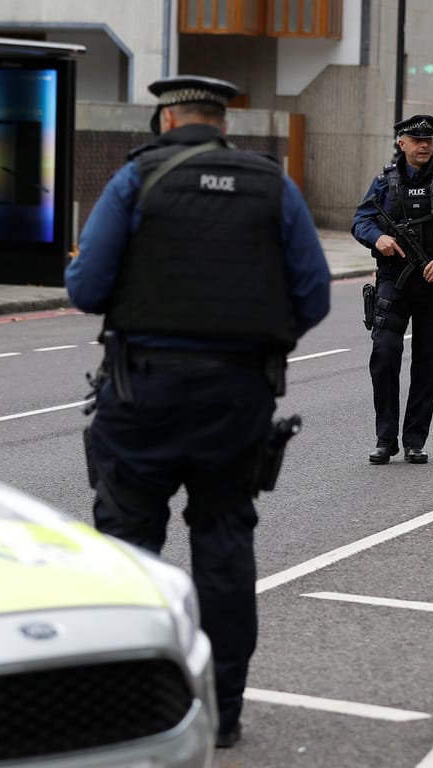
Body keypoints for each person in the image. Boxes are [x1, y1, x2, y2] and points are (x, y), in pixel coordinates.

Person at [66, 75, 331, 749]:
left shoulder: (138, 180)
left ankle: (129, 706)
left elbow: (88, 286)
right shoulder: (274, 185)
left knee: (128, 551)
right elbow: (314, 295)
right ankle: (225, 711)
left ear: (168, 116)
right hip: (236, 399)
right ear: (222, 121)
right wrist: (254, 344)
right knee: (224, 546)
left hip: (141, 393)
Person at [352, 114, 433, 464]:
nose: (424, 146)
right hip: (394, 280)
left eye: (429, 140)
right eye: (417, 140)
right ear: (402, 143)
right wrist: (377, 238)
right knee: (384, 353)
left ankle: (414, 440)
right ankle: (384, 439)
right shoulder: (384, 182)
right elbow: (360, 220)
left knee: (428, 361)